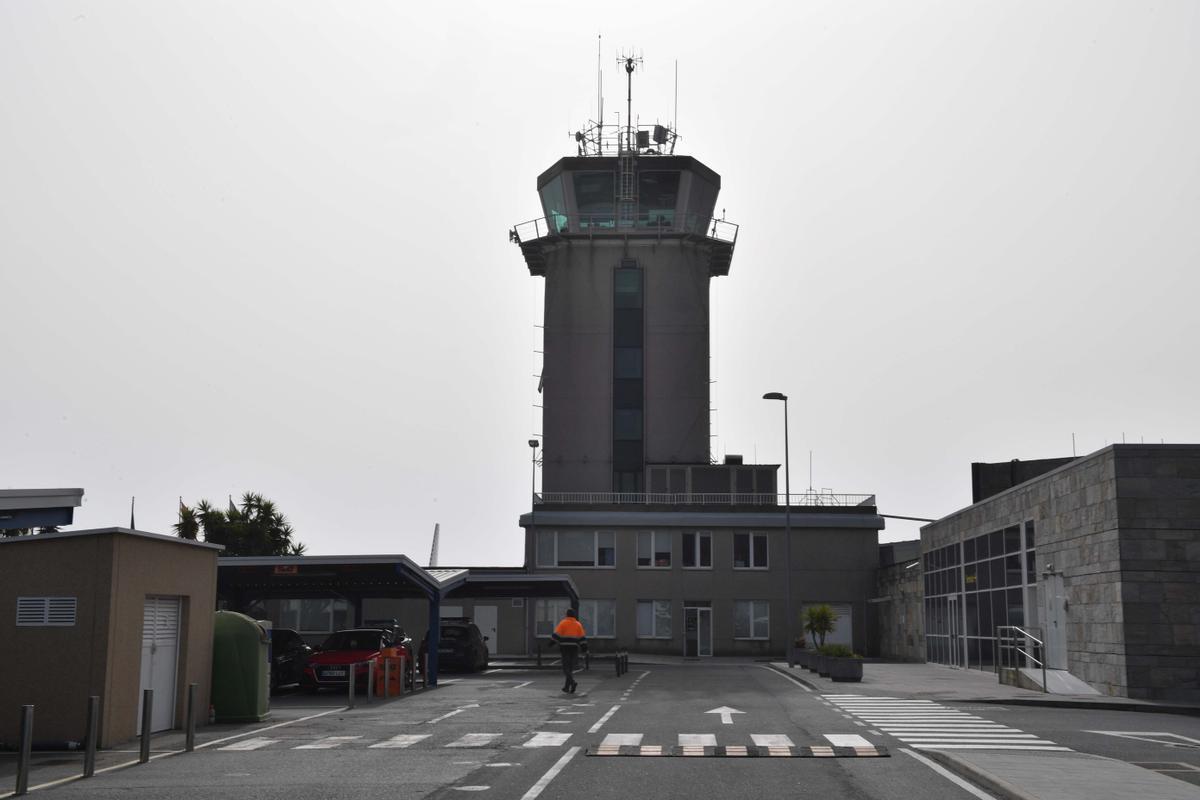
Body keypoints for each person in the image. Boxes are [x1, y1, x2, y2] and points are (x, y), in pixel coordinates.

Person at [552, 608, 587, 693]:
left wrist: (551, 643)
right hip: (574, 648)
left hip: (565, 648)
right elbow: (582, 638)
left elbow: (556, 635)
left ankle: (572, 682)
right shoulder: (578, 624)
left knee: (565, 668)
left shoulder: (563, 623)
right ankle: (567, 687)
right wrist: (584, 648)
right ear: (574, 615)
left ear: (566, 615)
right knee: (570, 668)